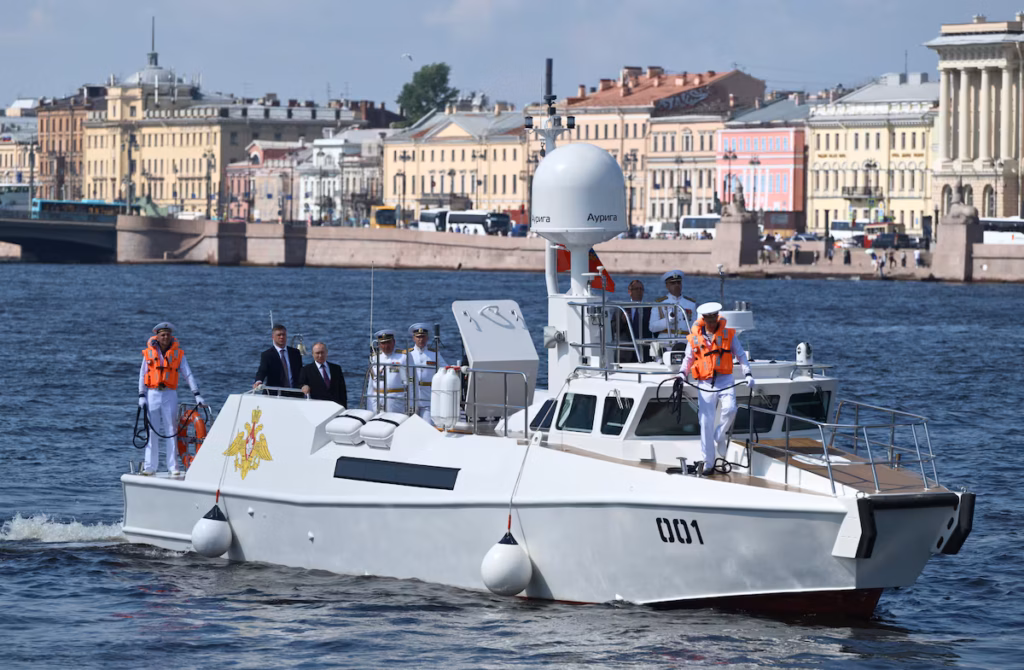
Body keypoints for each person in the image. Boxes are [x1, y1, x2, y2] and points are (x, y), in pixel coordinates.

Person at [679, 303, 753, 477]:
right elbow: (688, 359)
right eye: (708, 317)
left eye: (714, 316)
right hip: (704, 383)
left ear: (717, 316)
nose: (712, 320)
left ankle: (720, 435)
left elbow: (741, 355)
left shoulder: (728, 334)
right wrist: (682, 375)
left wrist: (747, 373)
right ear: (703, 319)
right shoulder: (694, 337)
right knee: (705, 422)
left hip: (725, 379)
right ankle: (708, 463)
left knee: (730, 408)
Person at [138, 322, 205, 476]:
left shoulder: (178, 354)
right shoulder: (149, 353)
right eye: (162, 335)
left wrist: (196, 394)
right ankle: (150, 466)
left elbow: (187, 374)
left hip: (169, 393)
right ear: (157, 336)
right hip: (152, 394)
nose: (165, 337)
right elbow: (142, 374)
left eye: (168, 334)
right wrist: (141, 395)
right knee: (152, 431)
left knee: (171, 430)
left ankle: (173, 466)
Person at [404, 323, 447, 422]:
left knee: (428, 425)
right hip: (411, 396)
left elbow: (445, 369)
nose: (421, 339)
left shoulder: (434, 354)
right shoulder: (408, 354)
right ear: (413, 338)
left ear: (427, 338)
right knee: (410, 425)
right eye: (418, 337)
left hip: (428, 397)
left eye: (423, 336)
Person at [649, 270, 695, 349]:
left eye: (678, 282)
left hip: (685, 342)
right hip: (666, 343)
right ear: (667, 286)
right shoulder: (659, 303)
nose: (676, 285)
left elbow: (694, 326)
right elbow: (652, 327)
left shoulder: (691, 304)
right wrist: (668, 321)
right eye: (673, 283)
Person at [366, 329, 408, 413]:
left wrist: (411, 404)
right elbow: (371, 384)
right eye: (383, 343)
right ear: (379, 344)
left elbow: (410, 382)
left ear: (394, 342)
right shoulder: (375, 358)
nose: (386, 346)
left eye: (388, 342)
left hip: (395, 400)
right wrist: (369, 405)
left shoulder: (403, 357)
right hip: (377, 399)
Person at [253, 323, 302, 391]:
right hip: (275, 393)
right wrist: (258, 381)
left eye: (283, 335)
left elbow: (301, 372)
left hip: (294, 392)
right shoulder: (267, 355)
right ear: (273, 337)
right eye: (279, 335)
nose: (281, 337)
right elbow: (262, 370)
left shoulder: (295, 353)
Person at [299, 341, 348, 405]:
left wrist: (344, 407)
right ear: (312, 354)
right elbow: (300, 384)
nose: (320, 355)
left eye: (322, 352)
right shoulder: (306, 370)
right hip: (317, 406)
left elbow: (342, 391)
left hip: (335, 406)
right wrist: (304, 386)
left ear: (326, 353)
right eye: (317, 353)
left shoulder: (336, 369)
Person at [617, 280, 652, 363]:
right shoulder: (621, 308)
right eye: (636, 289)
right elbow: (613, 328)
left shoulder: (649, 309)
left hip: (645, 352)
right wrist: (622, 321)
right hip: (626, 352)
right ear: (630, 291)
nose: (639, 291)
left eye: (641, 289)